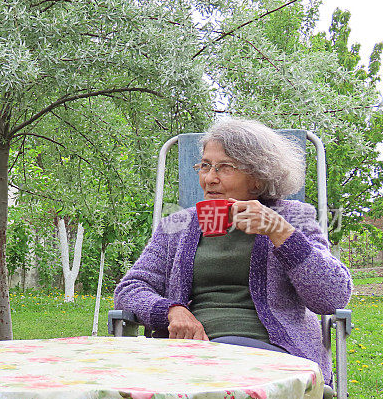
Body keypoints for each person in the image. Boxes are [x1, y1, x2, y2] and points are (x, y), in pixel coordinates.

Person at [114, 117, 351, 385]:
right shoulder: (178, 224)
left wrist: (281, 233)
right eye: (205, 166)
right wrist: (171, 310)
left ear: (257, 179)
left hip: (272, 355)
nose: (209, 179)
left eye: (224, 167)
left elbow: (331, 297)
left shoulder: (294, 218)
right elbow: (130, 288)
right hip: (187, 355)